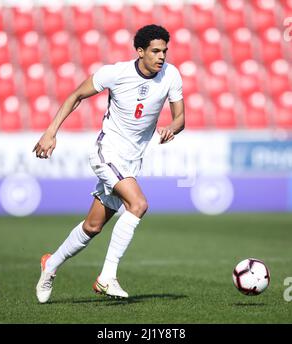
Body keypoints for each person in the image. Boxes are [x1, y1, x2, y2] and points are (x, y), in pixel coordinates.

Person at [33, 24, 185, 303]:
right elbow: (76, 96)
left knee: (92, 226)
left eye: (164, 50)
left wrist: (171, 128)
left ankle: (50, 264)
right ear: (140, 52)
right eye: (155, 51)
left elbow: (180, 118)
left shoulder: (171, 75)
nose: (161, 56)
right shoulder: (115, 73)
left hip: (132, 161)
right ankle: (107, 277)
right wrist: (51, 131)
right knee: (138, 204)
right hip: (108, 152)